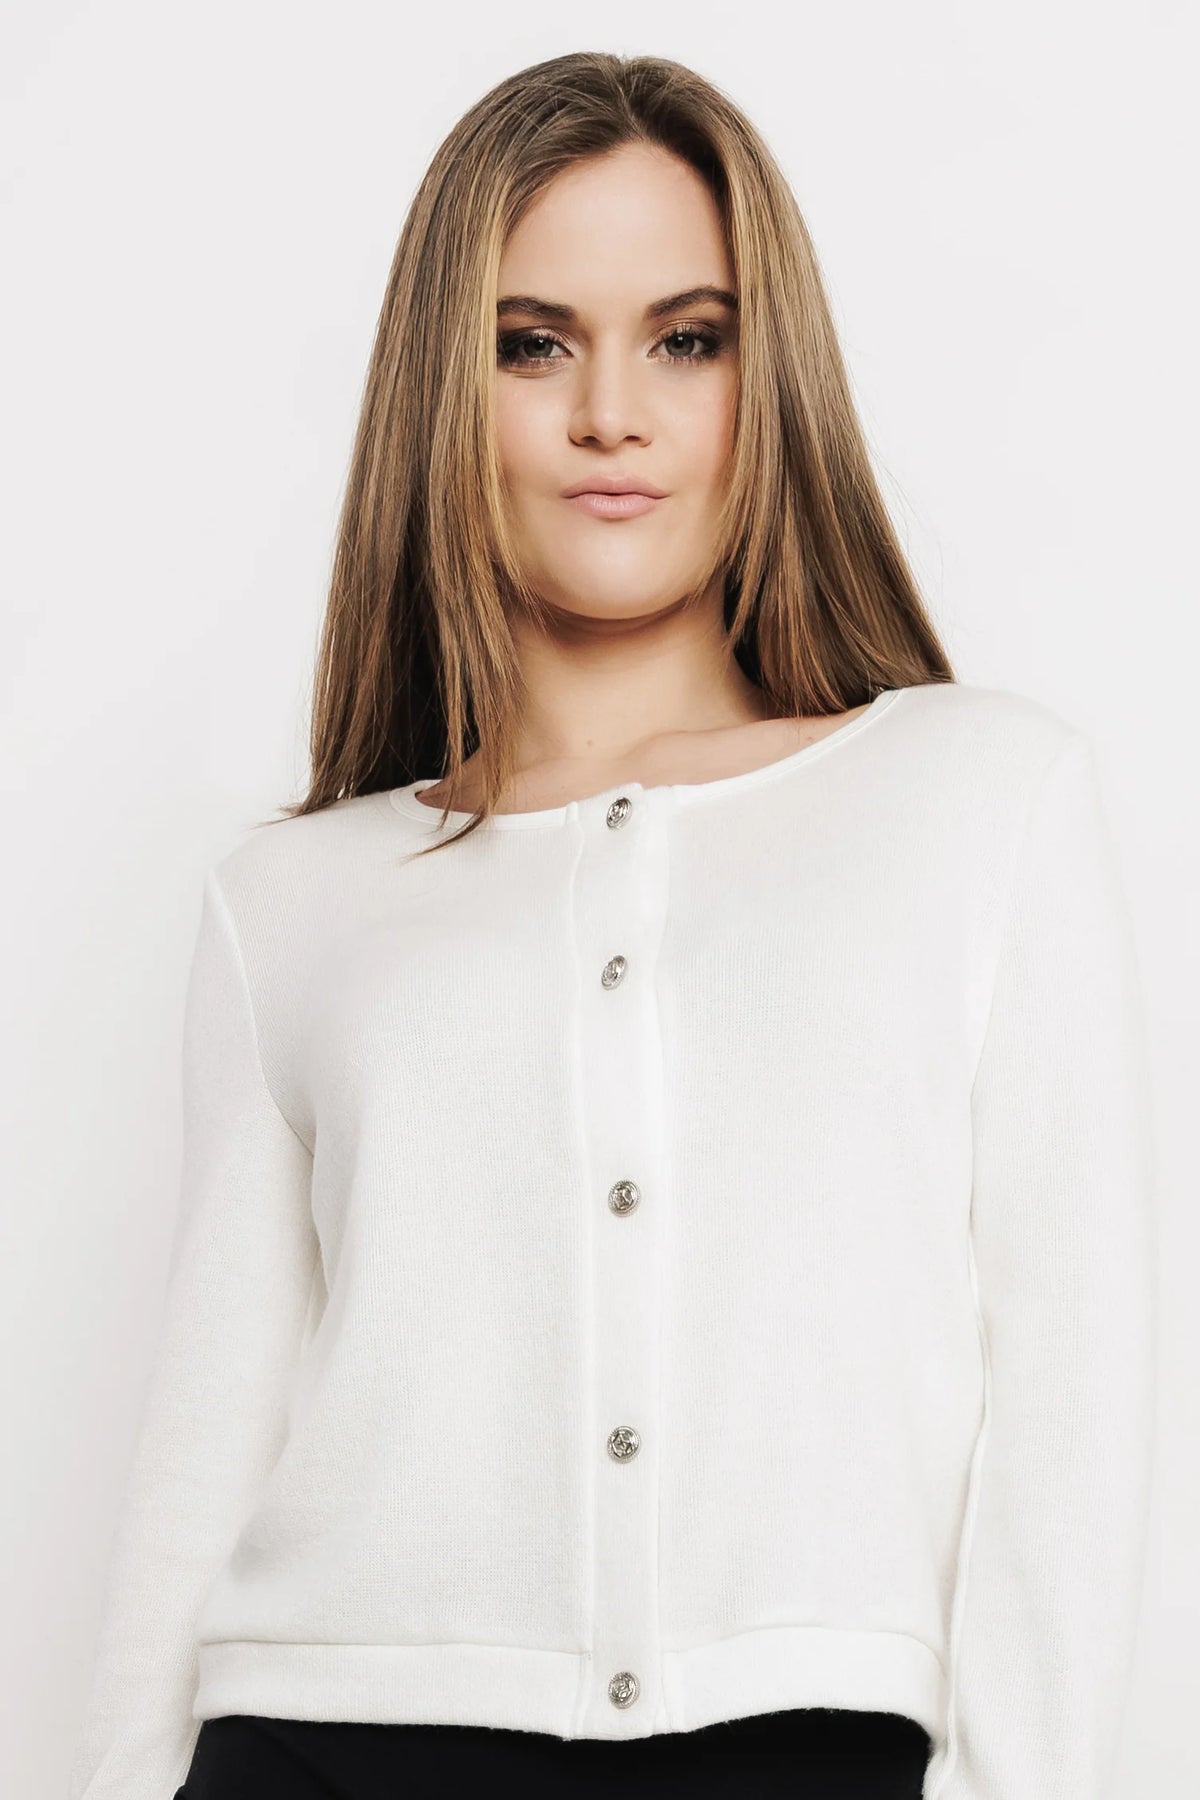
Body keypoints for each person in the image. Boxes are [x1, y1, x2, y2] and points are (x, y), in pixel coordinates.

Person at [66, 49, 1156, 1800]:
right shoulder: (291, 901)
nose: (611, 415)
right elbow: (199, 1470)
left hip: (812, 1741)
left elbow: (1072, 1399)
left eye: (687, 339)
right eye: (533, 344)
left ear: (765, 375)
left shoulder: (976, 801)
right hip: (327, 1744)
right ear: (448, 386)